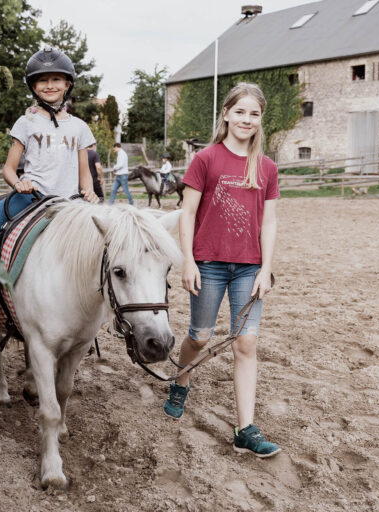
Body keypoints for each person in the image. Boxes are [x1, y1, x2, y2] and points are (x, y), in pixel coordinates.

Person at [0, 48, 99, 333]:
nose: (49, 85)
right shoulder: (26, 122)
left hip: (69, 203)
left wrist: (90, 192)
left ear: (67, 84)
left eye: (56, 79)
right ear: (33, 86)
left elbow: (84, 172)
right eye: (42, 80)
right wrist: (18, 183)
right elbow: (8, 169)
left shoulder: (80, 127)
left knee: (107, 241)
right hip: (31, 197)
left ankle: (104, 311)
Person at [162, 82, 281, 458]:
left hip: (249, 267)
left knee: (246, 342)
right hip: (209, 264)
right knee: (199, 337)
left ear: (260, 119)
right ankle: (181, 381)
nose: (247, 119)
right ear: (226, 114)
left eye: (254, 114)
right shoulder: (206, 159)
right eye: (240, 111)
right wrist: (188, 260)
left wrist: (266, 269)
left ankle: (245, 429)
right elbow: (188, 214)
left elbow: (269, 222)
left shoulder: (266, 167)